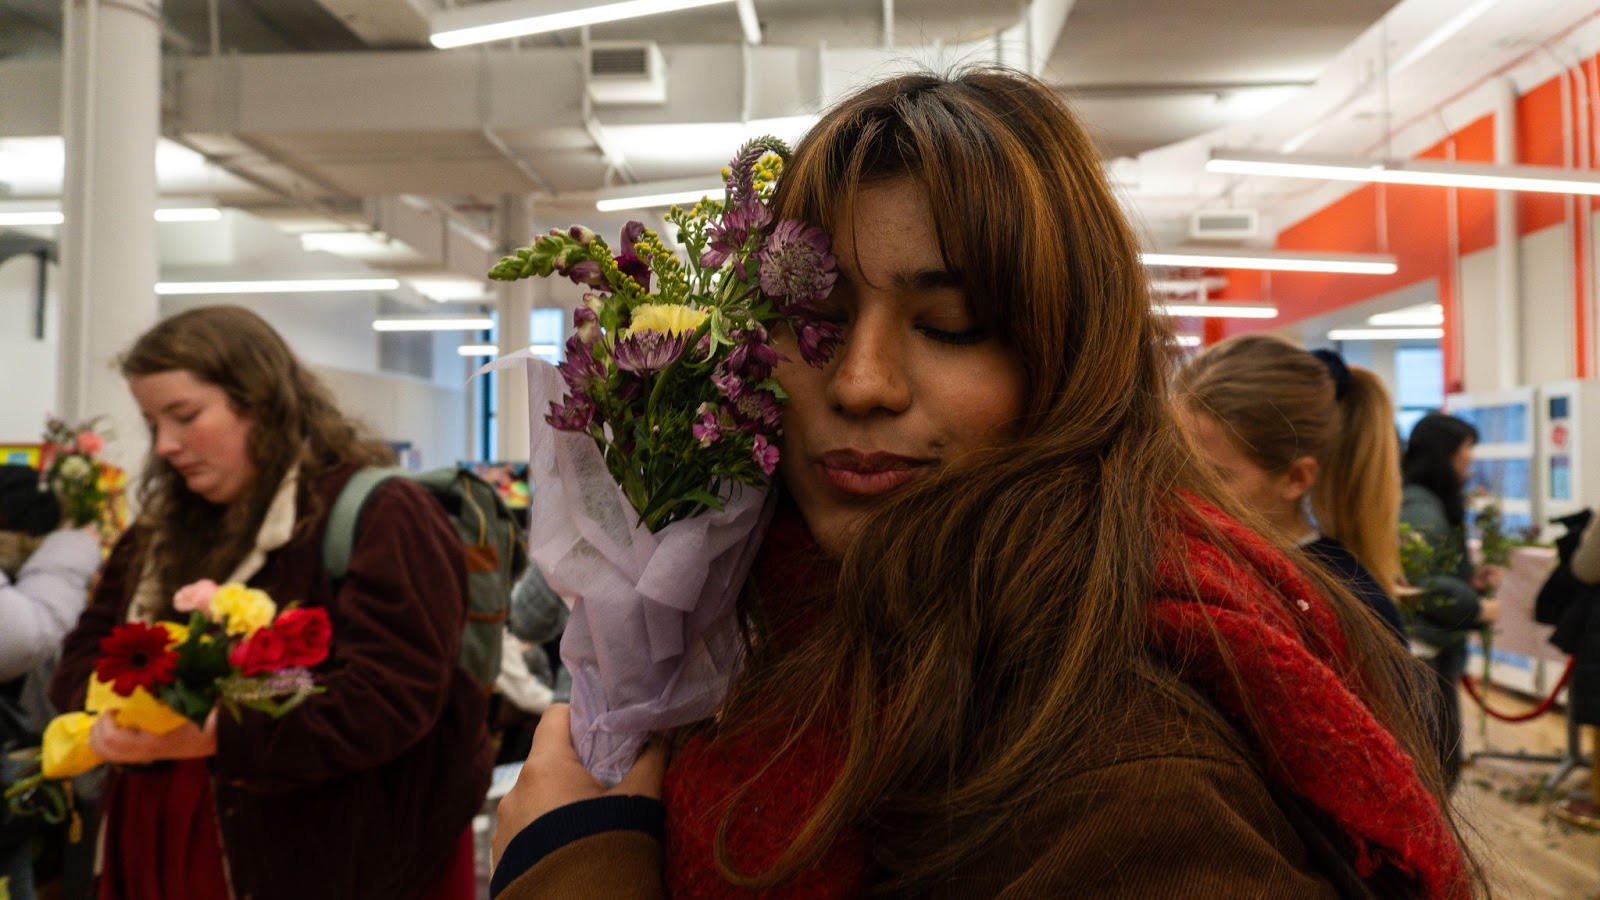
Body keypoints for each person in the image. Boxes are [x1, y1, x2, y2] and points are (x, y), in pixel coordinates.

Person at [491, 69, 1478, 898]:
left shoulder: (1125, 764)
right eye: (814, 319)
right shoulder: (770, 620)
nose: (860, 382)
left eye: (952, 324)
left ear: (1071, 359)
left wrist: (571, 864)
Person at [47, 305, 492, 900]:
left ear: (261, 402)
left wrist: (216, 733)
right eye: (153, 422)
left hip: (325, 854)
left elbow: (390, 696)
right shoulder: (159, 529)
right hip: (157, 833)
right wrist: (121, 714)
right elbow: (83, 655)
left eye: (185, 416)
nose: (167, 445)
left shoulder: (383, 515)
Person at [1175, 335, 1406, 640]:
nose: (1182, 493)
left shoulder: (1349, 606)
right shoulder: (1201, 564)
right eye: (1173, 469)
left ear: (1296, 478)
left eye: (1213, 479)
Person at [1399, 411, 1502, 789]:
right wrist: (1474, 607)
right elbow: (1421, 581)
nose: (1470, 462)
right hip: (1425, 649)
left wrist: (1469, 580)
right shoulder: (1420, 506)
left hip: (1432, 645)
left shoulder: (1424, 502)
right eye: (1465, 453)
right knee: (1439, 759)